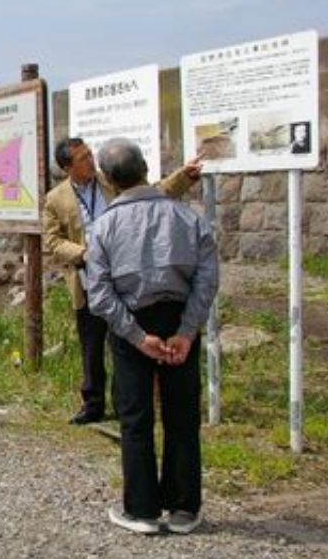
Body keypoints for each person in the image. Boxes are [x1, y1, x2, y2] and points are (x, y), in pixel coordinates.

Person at [83, 138, 218, 536]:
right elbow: (207, 279)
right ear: (145, 167)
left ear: (108, 179)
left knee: (135, 417)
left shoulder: (104, 226)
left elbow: (99, 294)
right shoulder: (188, 218)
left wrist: (137, 336)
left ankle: (141, 510)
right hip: (178, 318)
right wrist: (187, 331)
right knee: (182, 415)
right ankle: (183, 508)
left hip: (131, 325)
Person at [43, 137, 200, 425]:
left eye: (90, 154)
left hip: (126, 276)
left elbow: (154, 192)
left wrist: (183, 177)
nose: (90, 161)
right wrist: (85, 254)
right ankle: (93, 404)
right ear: (67, 167)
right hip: (87, 279)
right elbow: (52, 241)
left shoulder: (110, 181)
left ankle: (125, 403)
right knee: (91, 346)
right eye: (82, 158)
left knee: (125, 341)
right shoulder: (56, 198)